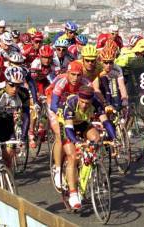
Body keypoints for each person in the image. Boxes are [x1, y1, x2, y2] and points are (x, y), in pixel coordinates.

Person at [60, 85, 116, 209]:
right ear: (78, 98)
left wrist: (114, 139)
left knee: (96, 139)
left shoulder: (96, 102)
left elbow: (106, 122)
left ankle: (87, 167)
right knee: (73, 156)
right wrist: (76, 142)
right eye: (82, 102)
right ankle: (73, 193)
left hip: (82, 123)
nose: (85, 105)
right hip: (67, 125)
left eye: (87, 103)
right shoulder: (71, 103)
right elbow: (69, 129)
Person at [46, 61, 90, 190]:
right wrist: (62, 114)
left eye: (78, 75)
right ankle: (58, 169)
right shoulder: (62, 81)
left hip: (72, 106)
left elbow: (93, 96)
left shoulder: (86, 83)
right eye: (72, 74)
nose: (75, 78)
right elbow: (54, 104)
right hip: (55, 103)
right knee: (60, 133)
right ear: (68, 73)